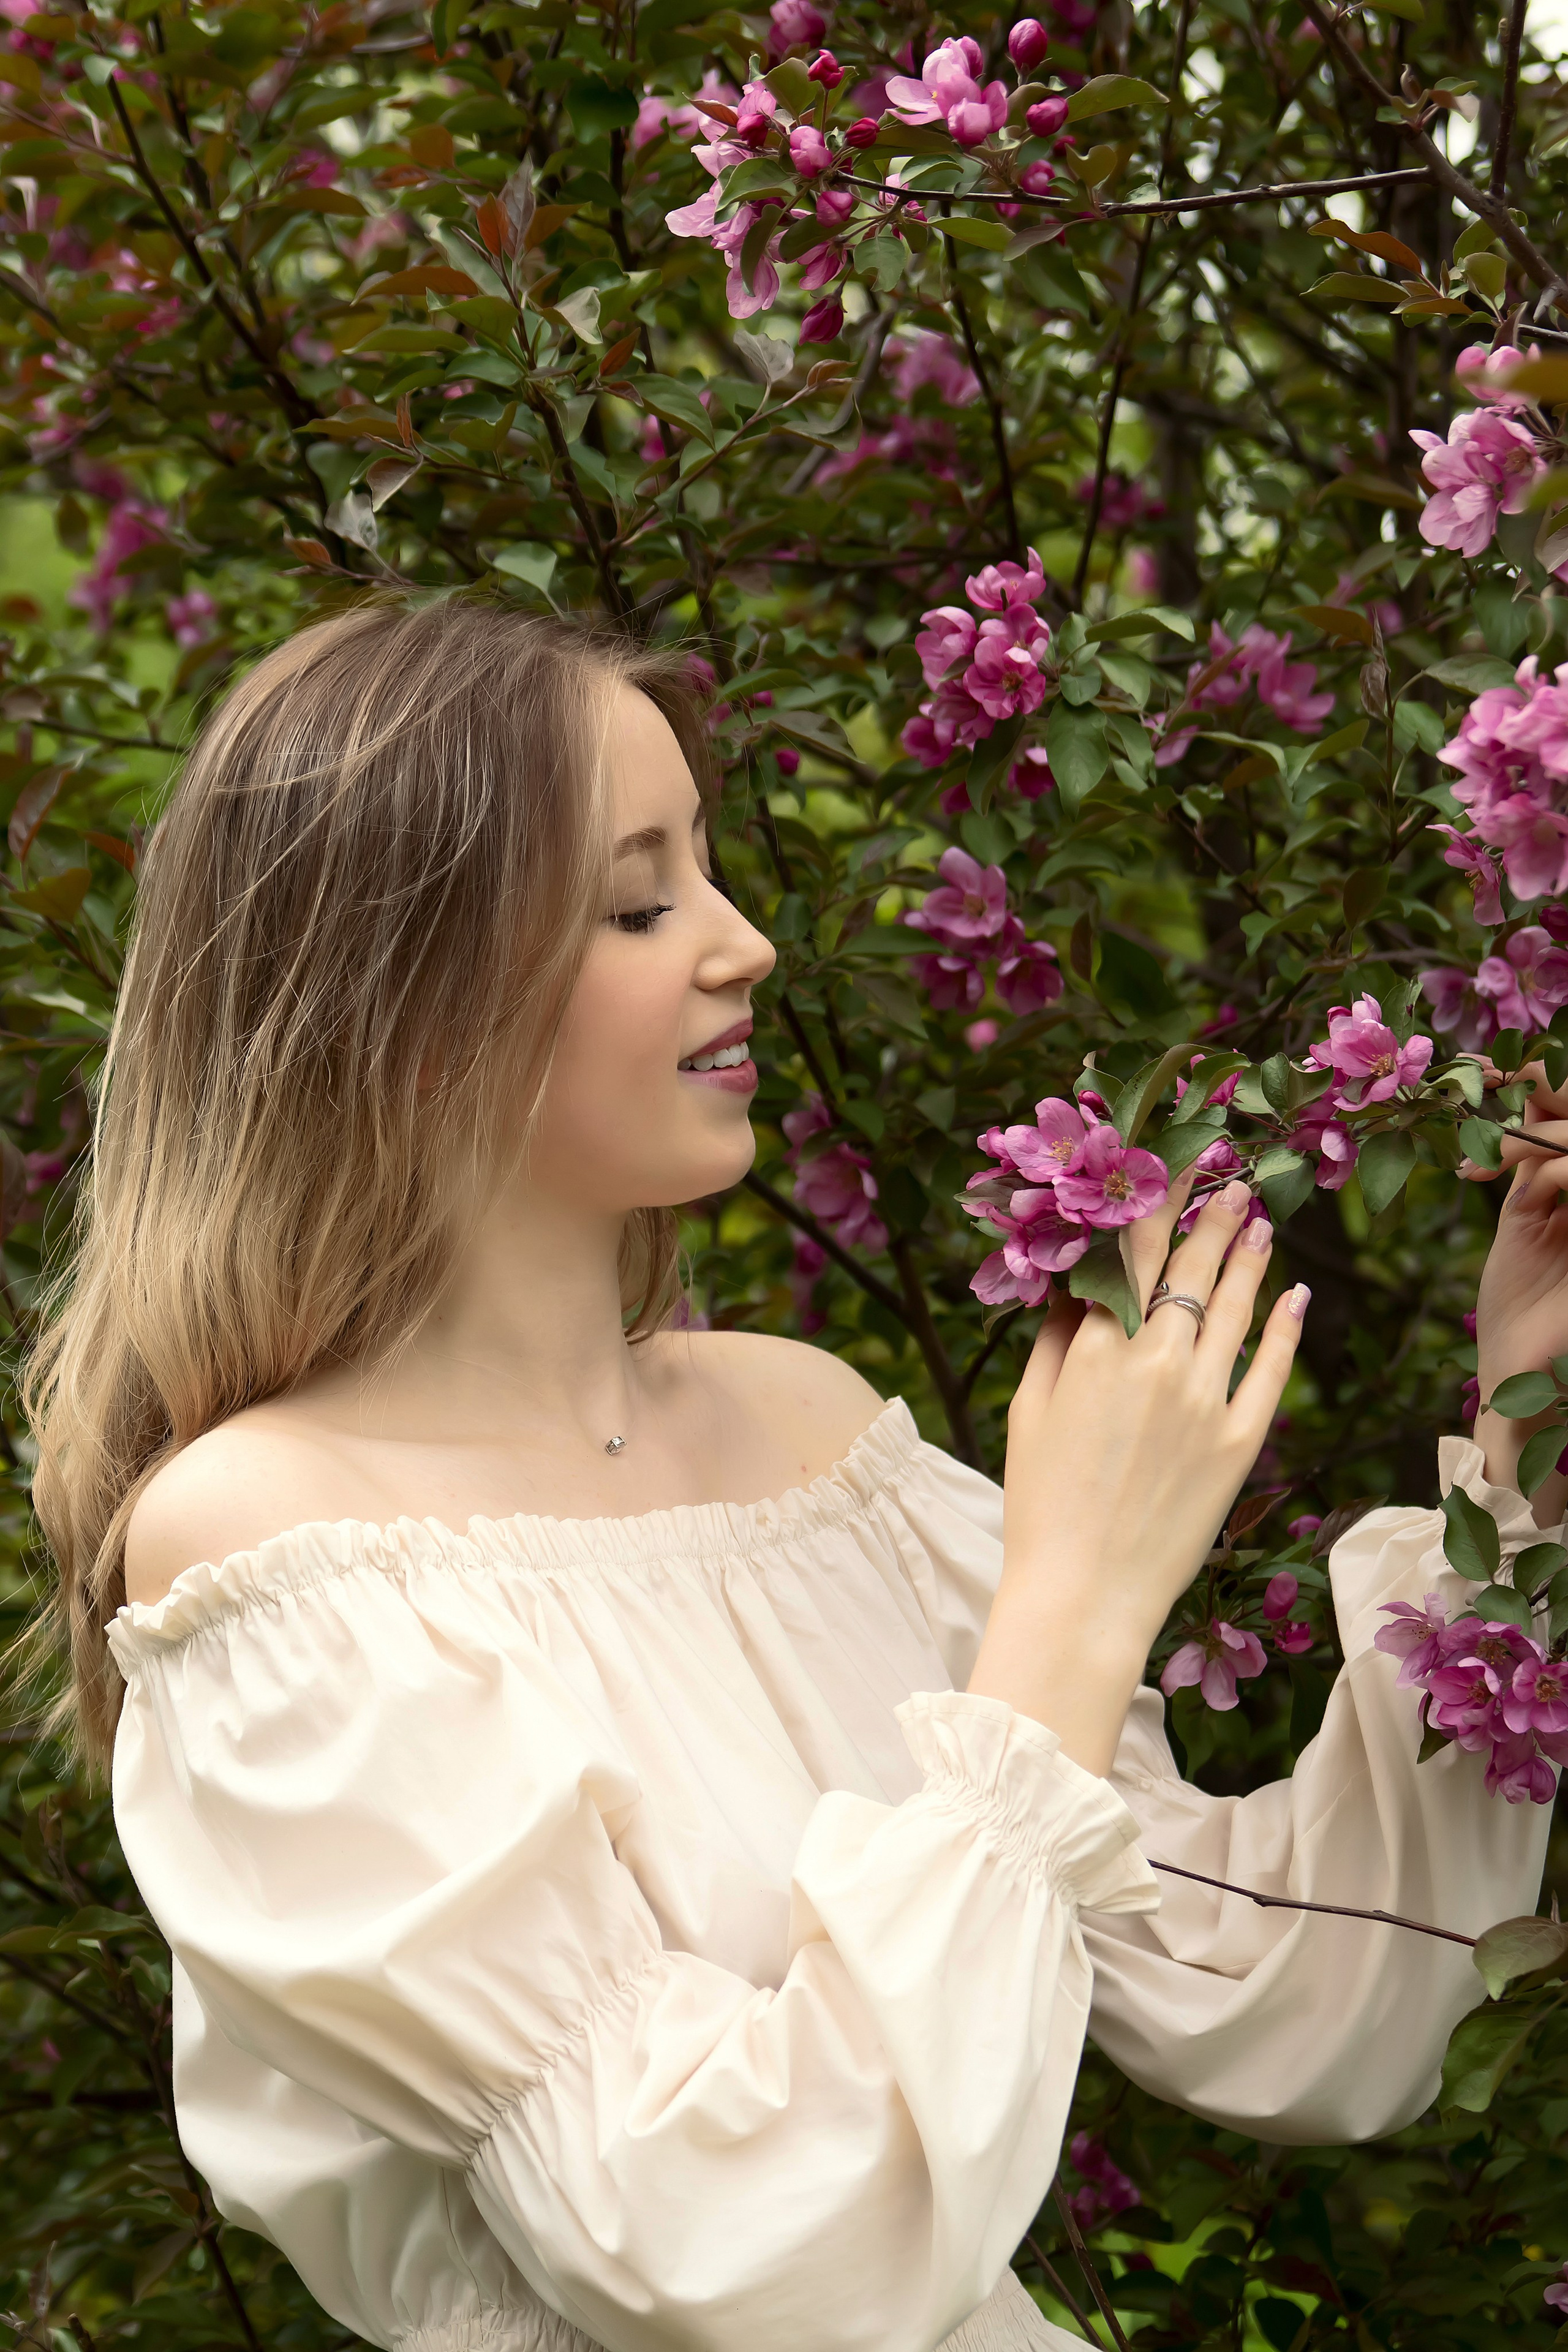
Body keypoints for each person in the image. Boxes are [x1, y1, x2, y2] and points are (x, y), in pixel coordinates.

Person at [21, 594, 1560, 2352]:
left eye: (714, 873)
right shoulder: (273, 1552)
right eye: (640, 899)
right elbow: (722, 2244)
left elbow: (1288, 1992)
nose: (744, 945)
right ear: (412, 996)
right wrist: (1072, 1597)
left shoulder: (805, 1434)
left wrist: (1520, 1447)